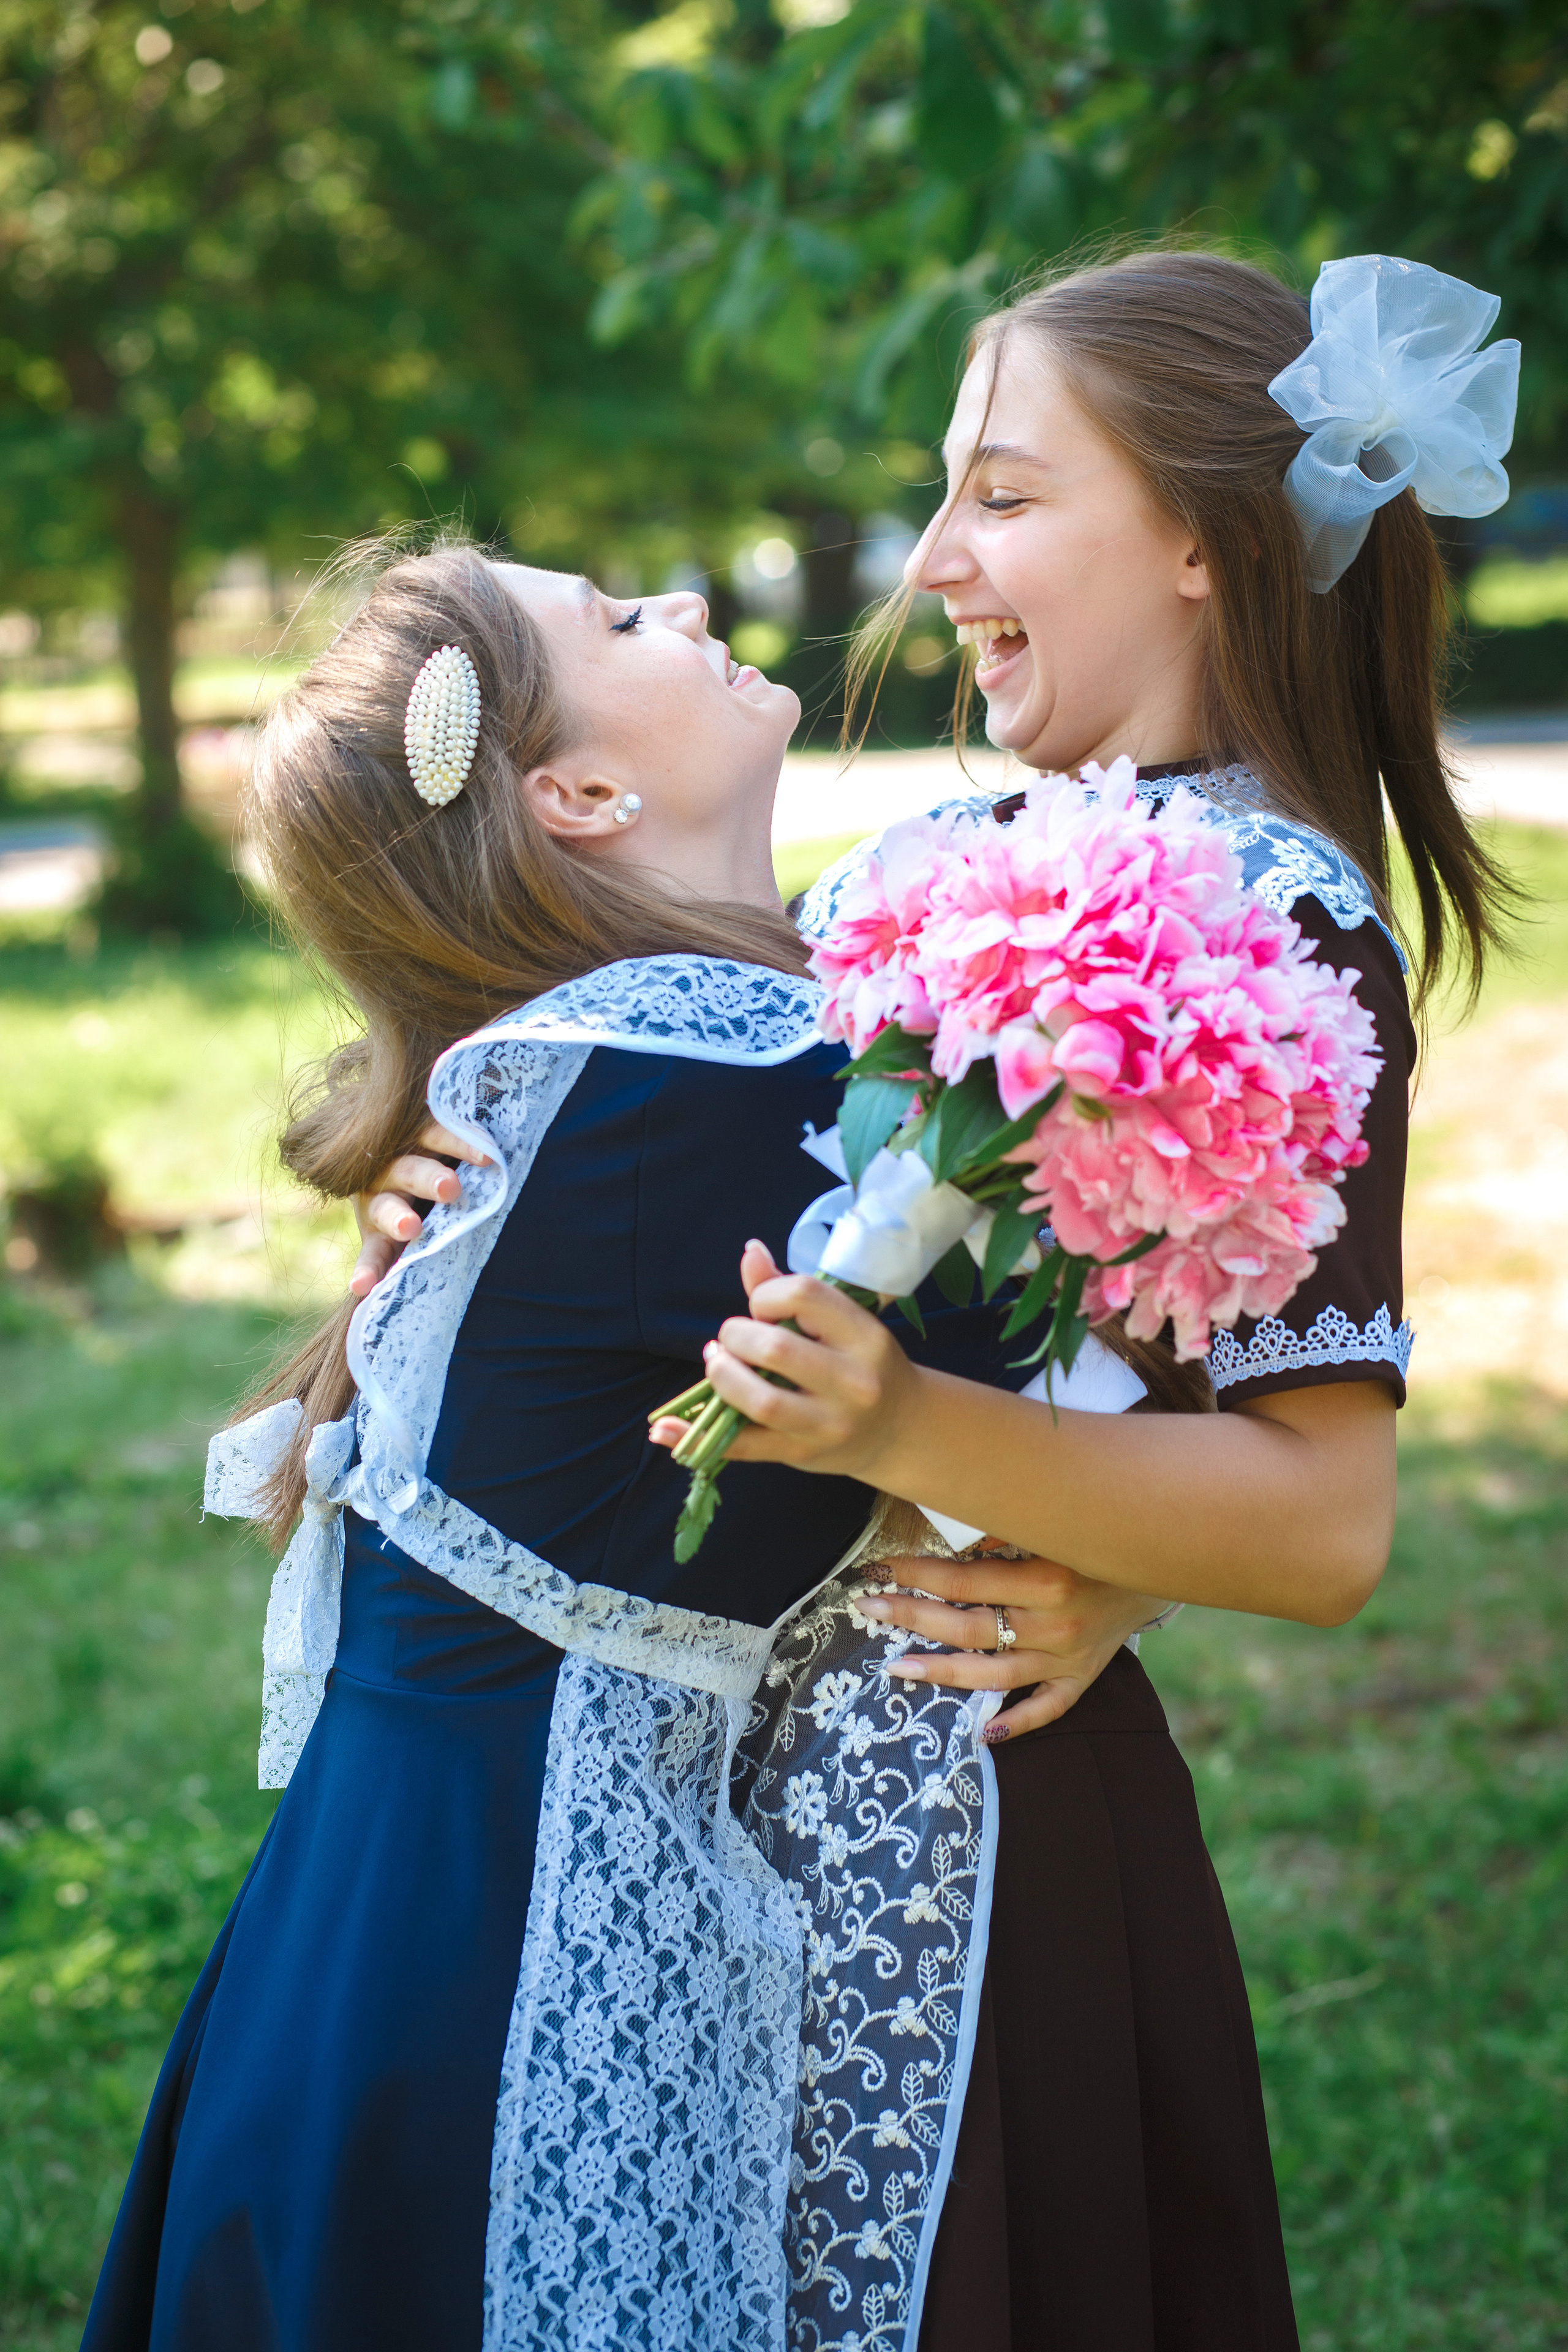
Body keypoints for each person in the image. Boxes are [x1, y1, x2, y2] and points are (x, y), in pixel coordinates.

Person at [81, 540, 1088, 2352]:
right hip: (500, 1926)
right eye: (623, 624)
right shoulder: (687, 1069)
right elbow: (1067, 1352)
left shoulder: (621, 1063)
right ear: (584, 795)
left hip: (394, 1894)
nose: (688, 609)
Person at [658, 249, 1519, 2350]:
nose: (936, 558)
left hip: (952, 1822)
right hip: (707, 1783)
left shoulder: (1275, 927)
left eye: (1006, 497)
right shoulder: (953, 850)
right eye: (948, 496)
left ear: (1209, 546)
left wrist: (911, 1433)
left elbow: (1323, 1518)